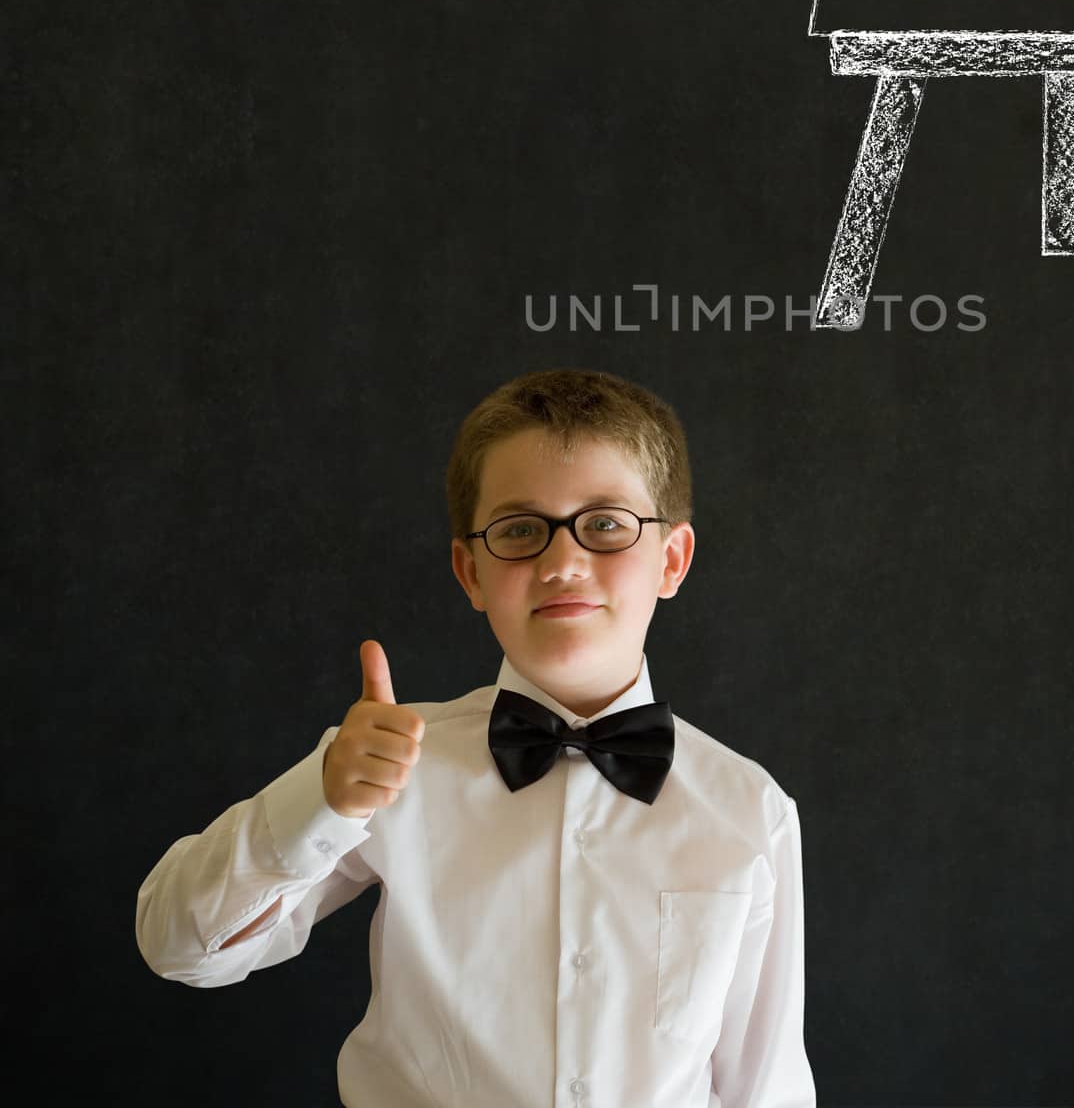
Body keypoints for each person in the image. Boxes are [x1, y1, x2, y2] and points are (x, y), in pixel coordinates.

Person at [136, 367, 817, 1107]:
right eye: (521, 530)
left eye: (606, 524)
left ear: (672, 559)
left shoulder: (751, 809)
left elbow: (765, 1087)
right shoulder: (389, 761)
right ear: (471, 572)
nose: (562, 563)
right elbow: (178, 949)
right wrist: (323, 800)